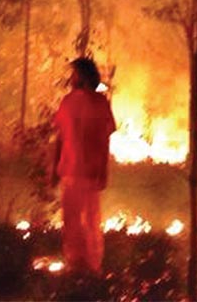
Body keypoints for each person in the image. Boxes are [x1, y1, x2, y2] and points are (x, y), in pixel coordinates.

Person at [51, 57, 116, 274]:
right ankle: (76, 265)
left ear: (83, 75)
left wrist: (104, 172)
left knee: (89, 220)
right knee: (72, 220)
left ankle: (91, 266)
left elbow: (105, 140)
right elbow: (60, 137)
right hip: (71, 170)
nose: (71, 77)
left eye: (75, 73)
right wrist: (54, 168)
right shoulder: (67, 102)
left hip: (88, 172)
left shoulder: (100, 103)